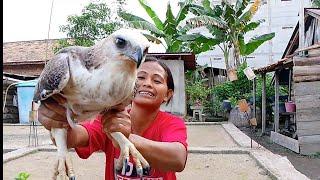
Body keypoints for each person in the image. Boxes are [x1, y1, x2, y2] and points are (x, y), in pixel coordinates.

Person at [38, 57, 188, 180]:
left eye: (157, 81)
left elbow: (178, 159)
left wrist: (126, 138)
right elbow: (75, 137)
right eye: (140, 77)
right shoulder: (110, 117)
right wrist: (58, 122)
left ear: (168, 94)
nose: (147, 83)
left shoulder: (172, 123)